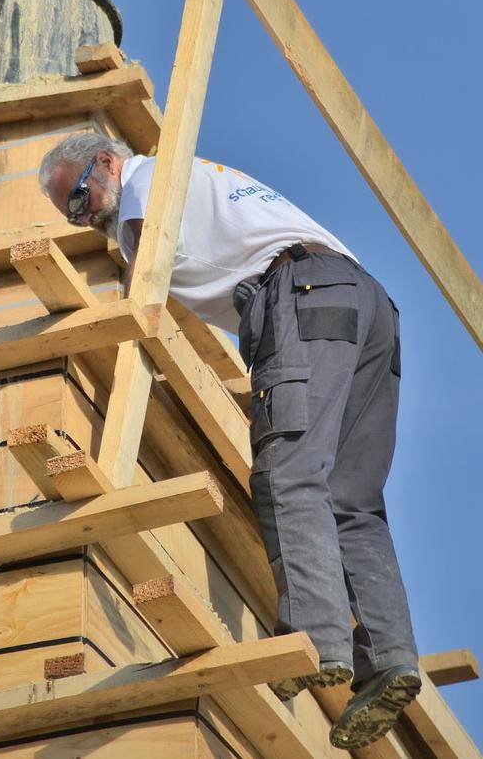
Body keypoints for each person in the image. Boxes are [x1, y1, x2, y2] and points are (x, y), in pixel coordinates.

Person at [39, 130, 421, 749]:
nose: (87, 220)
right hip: (368, 308)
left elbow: (142, 291)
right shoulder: (193, 179)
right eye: (75, 217)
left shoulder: (143, 186)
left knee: (286, 472)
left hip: (302, 297)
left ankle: (313, 641)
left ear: (106, 162)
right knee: (352, 503)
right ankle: (390, 659)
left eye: (80, 200)